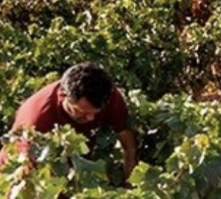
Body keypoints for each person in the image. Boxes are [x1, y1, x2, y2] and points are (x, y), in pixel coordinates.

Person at [5, 62, 137, 181]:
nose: (90, 118)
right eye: (82, 112)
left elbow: (127, 142)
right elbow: (32, 177)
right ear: (65, 96)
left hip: (73, 169)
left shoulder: (107, 95)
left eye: (95, 112)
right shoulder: (37, 121)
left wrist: (129, 181)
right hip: (20, 174)